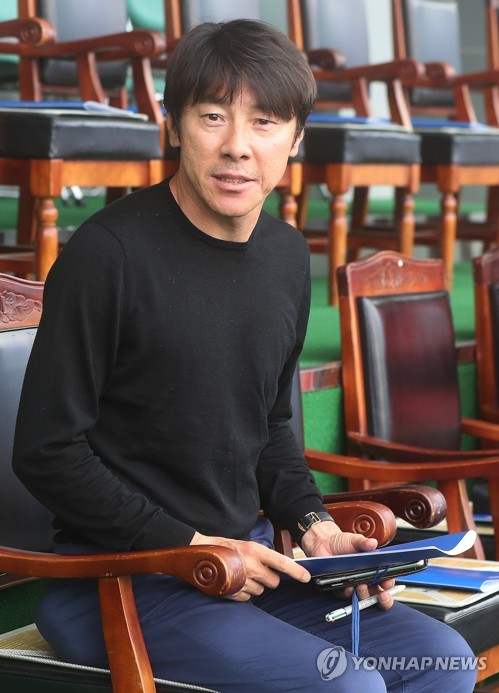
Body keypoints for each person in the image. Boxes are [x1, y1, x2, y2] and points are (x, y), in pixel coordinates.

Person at [13, 19, 476, 692]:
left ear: (296, 138)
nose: (236, 145)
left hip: (252, 569)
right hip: (121, 580)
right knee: (347, 686)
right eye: (212, 117)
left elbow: (271, 427)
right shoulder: (107, 256)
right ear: (173, 124)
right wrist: (191, 547)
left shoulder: (286, 256)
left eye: (264, 122)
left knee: (441, 661)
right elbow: (47, 450)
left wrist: (316, 526)